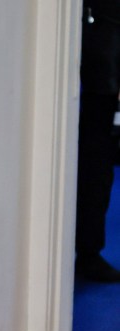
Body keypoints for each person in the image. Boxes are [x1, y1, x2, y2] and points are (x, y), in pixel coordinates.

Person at [76, 0, 120, 282]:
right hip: (100, 64)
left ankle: (88, 252)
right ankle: (87, 253)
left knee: (97, 163)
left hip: (104, 68)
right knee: (94, 161)